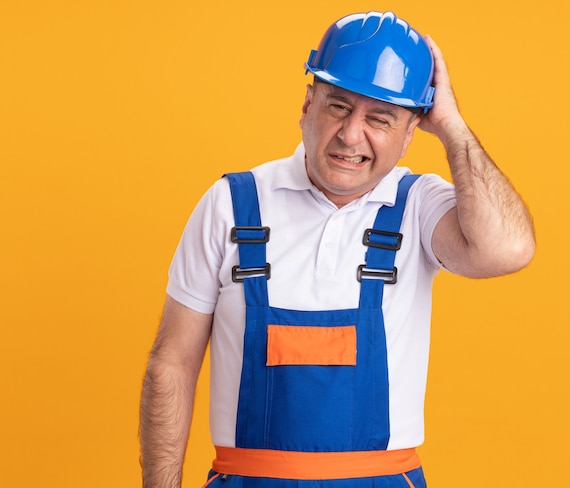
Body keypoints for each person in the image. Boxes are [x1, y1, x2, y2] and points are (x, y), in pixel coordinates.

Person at [140, 11, 535, 488]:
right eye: (338, 107)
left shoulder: (418, 206)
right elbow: (171, 365)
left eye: (380, 119)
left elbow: (509, 248)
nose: (351, 136)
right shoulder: (231, 204)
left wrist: (452, 126)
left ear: (411, 133)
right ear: (308, 103)